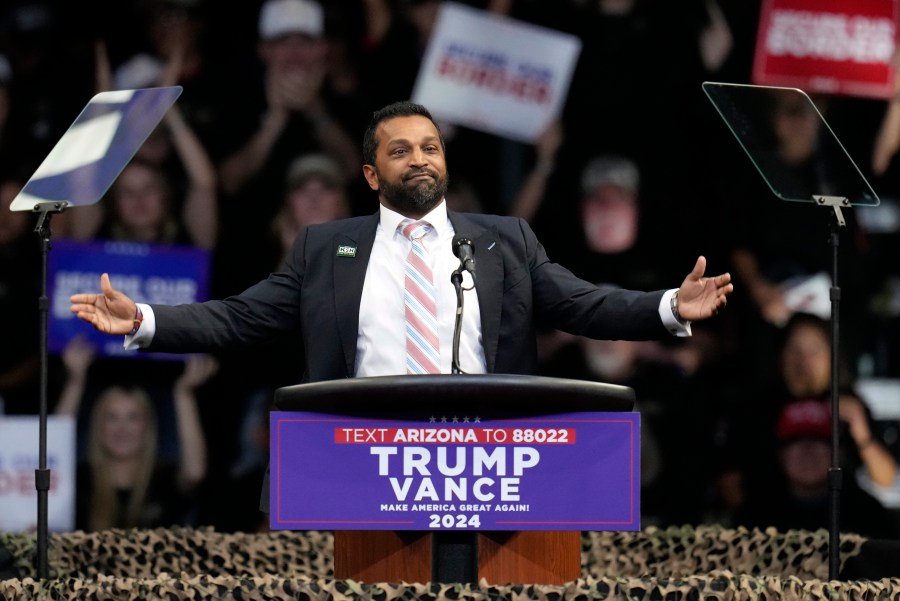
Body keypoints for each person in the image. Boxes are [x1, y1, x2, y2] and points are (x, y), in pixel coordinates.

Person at [69, 99, 732, 377]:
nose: (419, 158)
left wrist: (668, 305)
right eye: (400, 150)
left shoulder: (505, 241)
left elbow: (584, 304)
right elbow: (241, 317)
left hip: (486, 458)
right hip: (367, 451)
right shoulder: (324, 248)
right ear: (369, 173)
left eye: (431, 147)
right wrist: (147, 319)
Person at [54, 336, 218, 531]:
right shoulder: (79, 480)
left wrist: (184, 393)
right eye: (112, 418)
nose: (122, 428)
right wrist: (75, 383)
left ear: (148, 426)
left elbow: (195, 473)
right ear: (98, 426)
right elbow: (51, 457)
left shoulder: (163, 479)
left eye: (133, 418)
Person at [731, 397, 900, 539]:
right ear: (781, 455)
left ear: (839, 453)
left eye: (819, 440)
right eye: (796, 441)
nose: (808, 450)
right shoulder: (752, 519)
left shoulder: (869, 516)